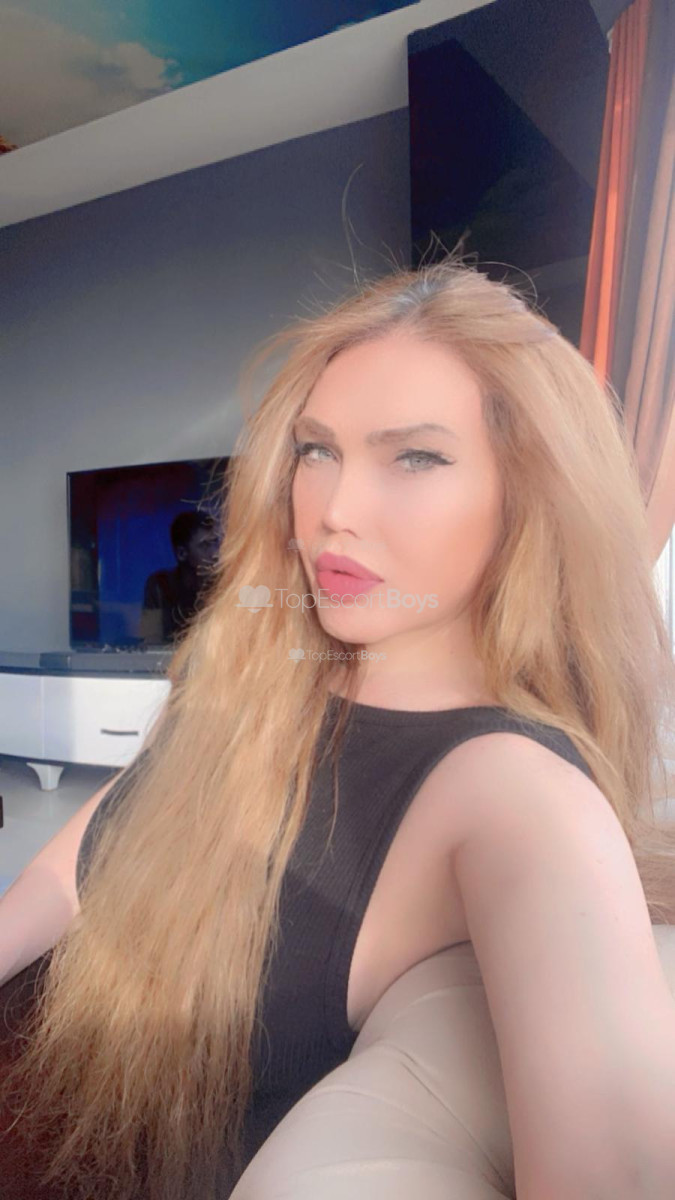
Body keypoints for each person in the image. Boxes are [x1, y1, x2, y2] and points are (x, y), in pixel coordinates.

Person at [1, 254, 674, 1200]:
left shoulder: (518, 797)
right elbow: (74, 866)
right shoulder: (249, 682)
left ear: (531, 493)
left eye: (416, 456)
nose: (333, 512)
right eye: (316, 451)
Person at [139, 511, 220, 644]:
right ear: (182, 553)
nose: (215, 554)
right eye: (205, 545)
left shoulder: (226, 584)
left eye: (216, 543)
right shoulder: (160, 585)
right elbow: (150, 640)